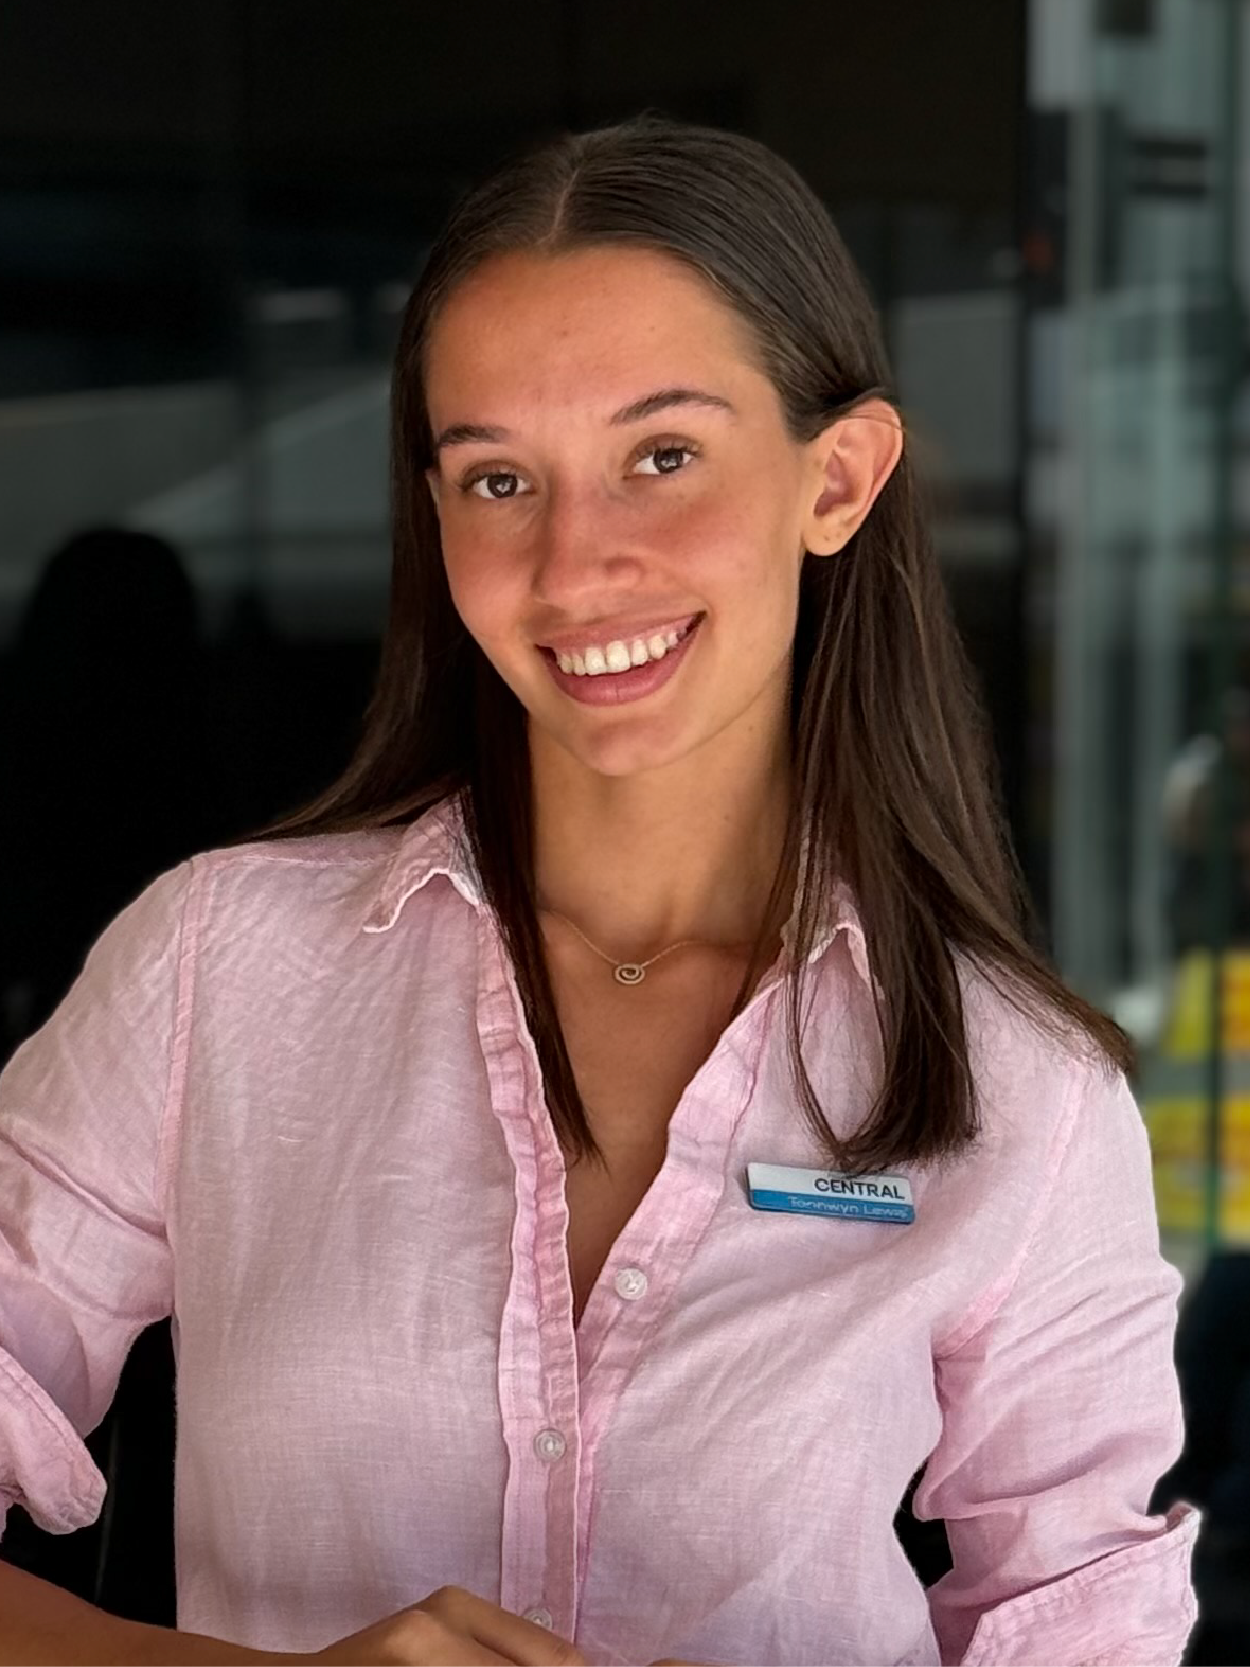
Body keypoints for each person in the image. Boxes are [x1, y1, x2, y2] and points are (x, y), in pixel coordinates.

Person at [0, 115, 1200, 1667]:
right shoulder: (218, 971)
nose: (572, 566)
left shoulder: (1023, 1092)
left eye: (660, 457)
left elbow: (1091, 1627)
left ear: (837, 478)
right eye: (498, 477)